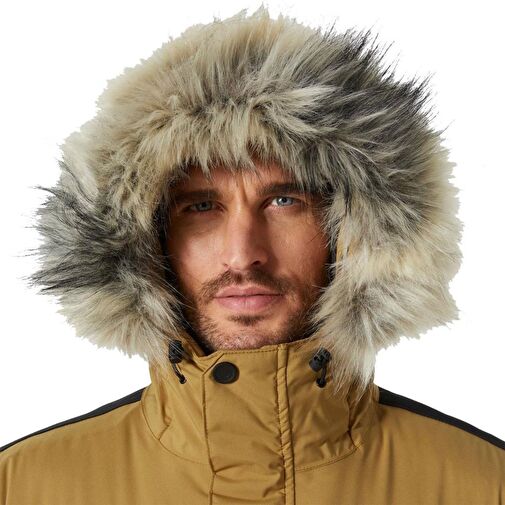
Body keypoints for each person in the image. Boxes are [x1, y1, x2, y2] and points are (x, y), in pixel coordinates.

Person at [1, 6, 503, 505]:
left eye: (284, 201)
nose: (243, 256)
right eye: (201, 207)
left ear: (357, 233)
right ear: (145, 243)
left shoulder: (483, 485)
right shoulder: (24, 486)